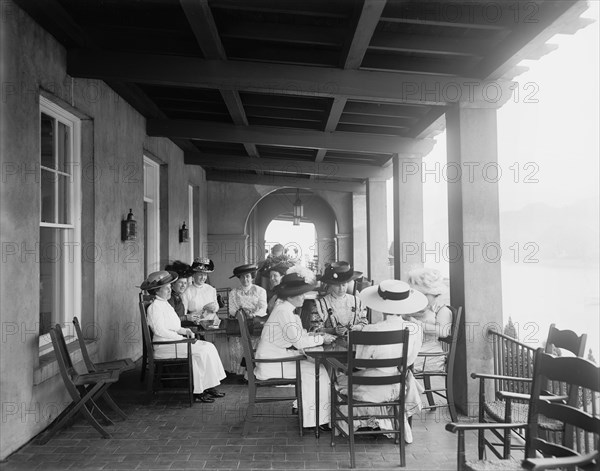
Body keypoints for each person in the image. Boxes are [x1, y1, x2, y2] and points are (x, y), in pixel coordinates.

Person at [335, 279, 427, 443]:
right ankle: (382, 422)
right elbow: (410, 360)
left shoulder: (371, 329)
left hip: (371, 390)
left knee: (339, 380)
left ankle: (361, 422)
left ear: (381, 304)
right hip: (398, 388)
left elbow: (360, 364)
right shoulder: (415, 329)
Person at [254, 272, 336, 430]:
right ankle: (316, 420)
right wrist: (321, 339)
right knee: (318, 371)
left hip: (275, 356)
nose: (304, 297)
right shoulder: (284, 311)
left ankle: (305, 409)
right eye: (301, 294)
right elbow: (298, 342)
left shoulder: (284, 309)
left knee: (315, 367)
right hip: (271, 362)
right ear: (291, 295)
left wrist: (312, 335)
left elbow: (296, 336)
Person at [141, 270, 226, 403]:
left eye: (170, 288)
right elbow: (160, 330)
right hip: (164, 346)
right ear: (157, 291)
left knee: (209, 347)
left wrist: (185, 331)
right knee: (201, 351)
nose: (170, 291)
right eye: (167, 288)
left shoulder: (166, 304)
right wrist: (180, 338)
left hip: (173, 342)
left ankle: (208, 386)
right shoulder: (154, 307)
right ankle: (199, 391)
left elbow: (175, 326)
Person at [406, 268, 453, 373]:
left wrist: (417, 323)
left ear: (434, 293)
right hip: (412, 352)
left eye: (425, 294)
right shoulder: (415, 308)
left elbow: (443, 332)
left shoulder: (441, 309)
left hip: (428, 356)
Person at [227, 264, 268, 375]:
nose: (245, 279)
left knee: (256, 346)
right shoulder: (233, 292)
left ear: (252, 277)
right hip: (240, 323)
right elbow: (232, 310)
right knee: (240, 345)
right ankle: (241, 373)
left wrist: (253, 315)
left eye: (247, 276)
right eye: (242, 277)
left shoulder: (260, 291)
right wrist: (241, 313)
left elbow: (263, 307)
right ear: (239, 278)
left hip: (256, 323)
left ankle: (255, 373)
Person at [314, 261, 368, 335]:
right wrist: (333, 330)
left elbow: (364, 323)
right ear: (331, 284)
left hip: (354, 341)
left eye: (343, 285)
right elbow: (315, 329)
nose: (341, 288)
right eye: (337, 285)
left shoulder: (356, 301)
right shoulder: (322, 303)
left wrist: (355, 327)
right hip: (330, 342)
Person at [182, 258, 219, 324]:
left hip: (213, 322)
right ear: (194, 275)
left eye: (205, 275)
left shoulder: (211, 289)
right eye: (200, 274)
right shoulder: (187, 292)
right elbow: (184, 314)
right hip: (196, 324)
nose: (203, 278)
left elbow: (216, 307)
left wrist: (214, 308)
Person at [163, 260, 194, 326]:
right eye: (180, 283)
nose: (183, 286)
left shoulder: (177, 296)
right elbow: (169, 321)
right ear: (173, 284)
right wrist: (186, 318)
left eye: (185, 283)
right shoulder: (170, 298)